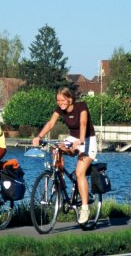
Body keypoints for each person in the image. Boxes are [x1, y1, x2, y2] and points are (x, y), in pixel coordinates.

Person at [32, 86, 97, 224]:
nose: (60, 102)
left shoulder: (81, 106)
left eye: (62, 100)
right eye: (58, 100)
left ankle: (85, 208)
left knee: (80, 173)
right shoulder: (59, 109)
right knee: (56, 148)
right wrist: (39, 136)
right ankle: (58, 179)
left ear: (70, 99)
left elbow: (83, 122)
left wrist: (80, 140)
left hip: (87, 139)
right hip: (73, 138)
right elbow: (50, 123)